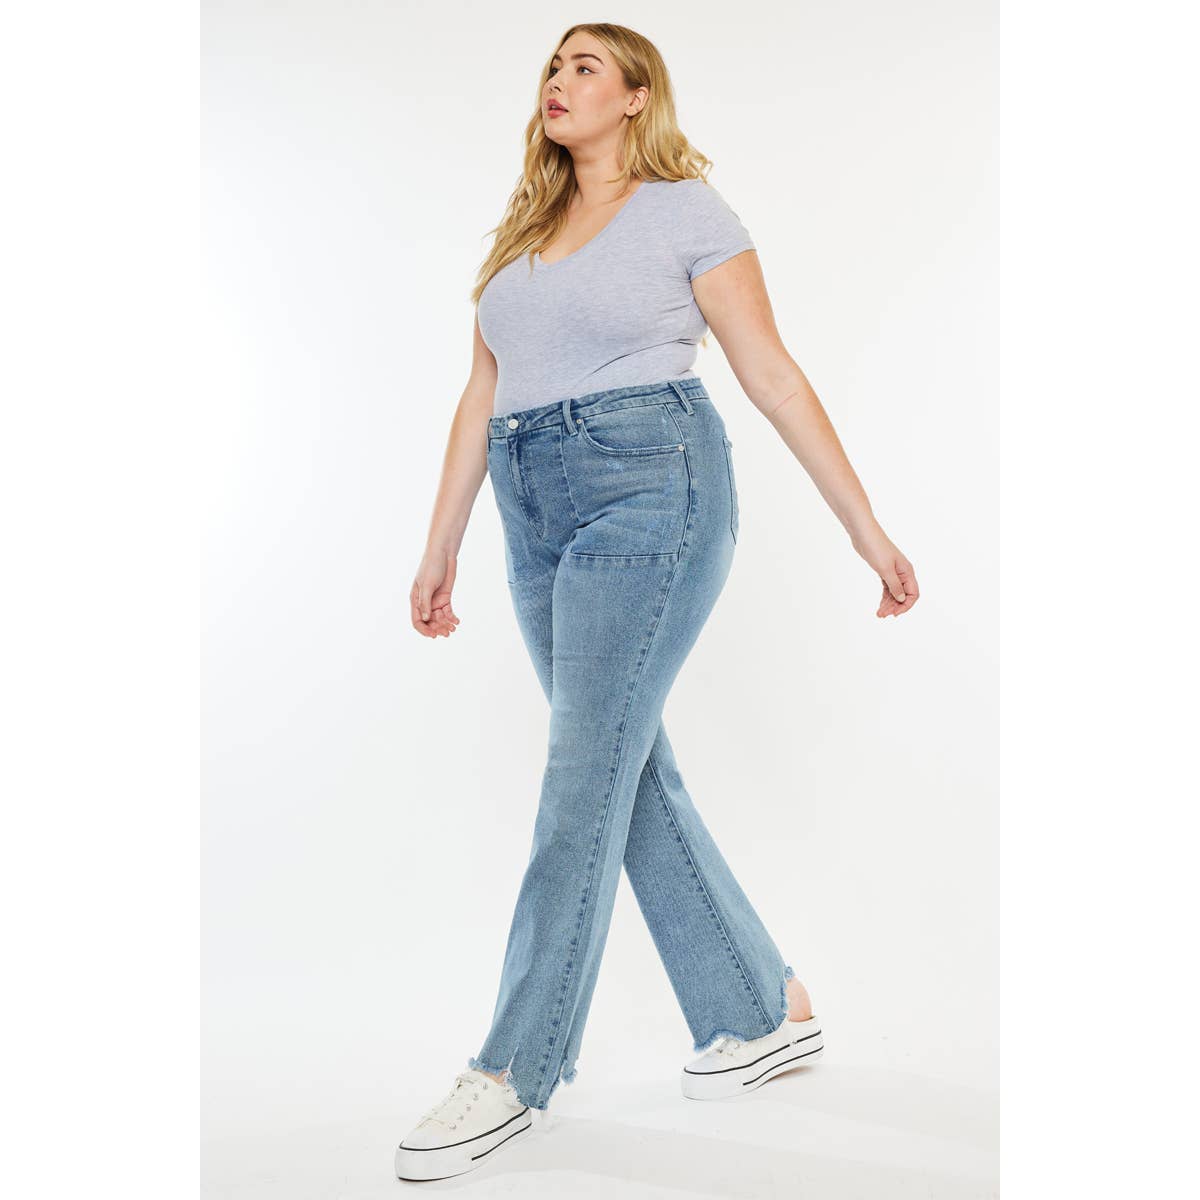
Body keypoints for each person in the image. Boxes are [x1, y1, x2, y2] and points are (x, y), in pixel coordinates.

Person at [396, 22, 919, 1182]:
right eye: (550, 65)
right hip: (531, 503)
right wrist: (438, 547)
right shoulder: (521, 236)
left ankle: (511, 1071)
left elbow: (771, 373)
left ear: (638, 97)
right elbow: (476, 400)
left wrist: (863, 527)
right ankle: (758, 1003)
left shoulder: (687, 211)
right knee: (625, 765)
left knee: (583, 774)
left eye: (586, 66)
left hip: (654, 487)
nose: (559, 81)